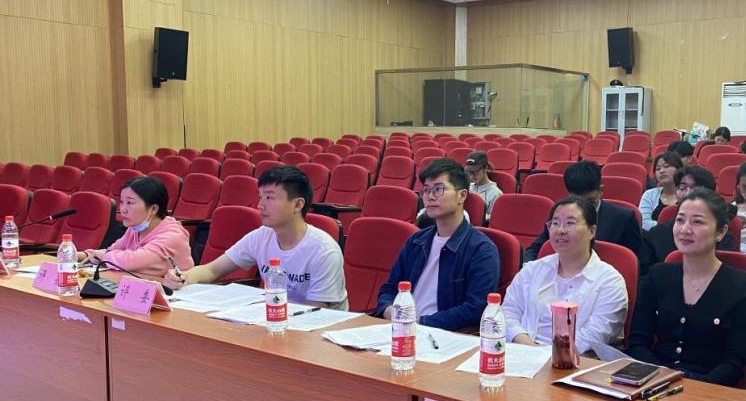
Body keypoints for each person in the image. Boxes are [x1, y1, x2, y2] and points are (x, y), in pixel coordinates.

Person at [164, 166, 347, 308]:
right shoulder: (261, 237)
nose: (260, 205)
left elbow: (317, 311)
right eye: (260, 197)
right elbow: (212, 270)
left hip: (315, 330)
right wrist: (184, 277)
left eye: (269, 198)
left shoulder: (323, 251)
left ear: (298, 205)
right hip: (274, 319)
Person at [628, 188, 746, 386]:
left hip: (709, 388)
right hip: (653, 381)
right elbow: (638, 343)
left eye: (697, 222)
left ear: (721, 232)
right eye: (680, 220)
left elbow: (734, 363)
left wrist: (692, 390)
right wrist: (661, 379)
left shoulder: (742, 286)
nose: (685, 230)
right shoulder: (657, 276)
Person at [376, 158, 499, 330]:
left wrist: (420, 322)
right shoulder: (416, 241)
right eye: (426, 190)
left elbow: (475, 309)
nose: (430, 196)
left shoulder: (481, 250)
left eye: (438, 189)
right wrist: (390, 311)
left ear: (462, 195)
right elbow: (389, 289)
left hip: (440, 334)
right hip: (399, 327)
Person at [503, 196, 628, 354]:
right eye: (555, 223)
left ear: (592, 231)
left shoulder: (610, 281)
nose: (560, 230)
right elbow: (507, 313)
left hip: (576, 362)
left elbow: (594, 337)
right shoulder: (532, 270)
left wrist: (546, 356)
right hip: (523, 353)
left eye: (570, 223)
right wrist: (529, 348)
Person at [525, 160, 644, 265]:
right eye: (578, 201)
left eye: (590, 201)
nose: (584, 207)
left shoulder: (623, 218)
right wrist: (528, 265)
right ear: (569, 194)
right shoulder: (560, 214)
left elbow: (636, 261)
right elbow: (536, 248)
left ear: (601, 190)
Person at [81, 176, 193, 277]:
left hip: (174, 291)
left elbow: (129, 262)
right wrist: (84, 255)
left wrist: (103, 255)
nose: (123, 209)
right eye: (122, 202)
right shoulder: (135, 229)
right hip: (144, 285)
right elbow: (112, 251)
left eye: (130, 203)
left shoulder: (172, 236)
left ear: (153, 209)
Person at [645, 166, 736, 263]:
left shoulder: (719, 233)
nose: (688, 193)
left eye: (695, 189)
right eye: (682, 188)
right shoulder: (657, 234)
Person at [639, 151, 683, 230]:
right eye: (658, 169)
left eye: (666, 166)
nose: (661, 171)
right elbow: (644, 223)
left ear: (678, 169)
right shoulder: (649, 194)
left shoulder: (690, 195)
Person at [465, 151, 502, 220]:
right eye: (470, 173)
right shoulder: (468, 188)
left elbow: (494, 218)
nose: (471, 177)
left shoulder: (495, 194)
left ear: (485, 169)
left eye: (475, 173)